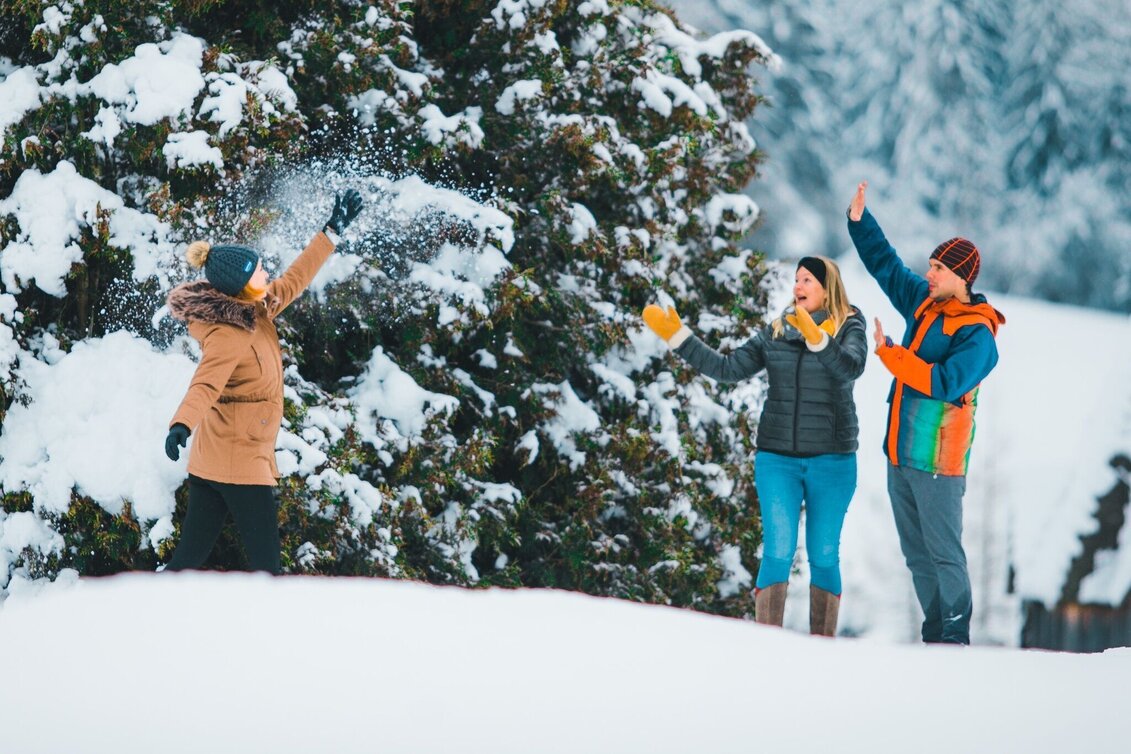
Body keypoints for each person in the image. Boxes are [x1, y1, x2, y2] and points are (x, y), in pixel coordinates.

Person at [642, 256, 868, 636]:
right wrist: (680, 337)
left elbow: (850, 367)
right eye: (796, 279)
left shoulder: (850, 327)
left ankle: (824, 649)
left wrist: (819, 340)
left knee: (824, 556)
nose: (798, 286)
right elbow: (728, 368)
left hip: (832, 461)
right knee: (778, 552)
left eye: (808, 279)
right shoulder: (776, 331)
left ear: (827, 287)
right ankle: (768, 646)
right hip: (777, 459)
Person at [162, 189, 364, 574]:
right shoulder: (228, 333)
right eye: (258, 271)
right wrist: (180, 424)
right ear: (241, 285)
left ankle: (147, 603)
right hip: (239, 460)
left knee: (186, 563)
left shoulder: (256, 308)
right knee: (268, 568)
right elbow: (204, 384)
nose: (265, 272)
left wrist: (331, 232)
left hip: (217, 460)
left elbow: (295, 278)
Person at [847, 180, 1005, 645]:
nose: (929, 273)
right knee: (917, 557)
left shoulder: (979, 334)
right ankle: (933, 634)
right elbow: (887, 266)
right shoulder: (925, 303)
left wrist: (892, 355)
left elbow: (945, 383)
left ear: (962, 276)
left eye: (938, 268)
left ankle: (955, 636)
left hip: (938, 463)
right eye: (931, 266)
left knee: (944, 554)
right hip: (900, 454)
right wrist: (860, 221)